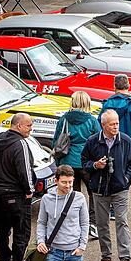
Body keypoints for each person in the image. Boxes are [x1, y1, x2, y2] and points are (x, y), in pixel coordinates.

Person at [81, 110, 131, 261]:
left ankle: (125, 258)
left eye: (117, 123)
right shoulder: (92, 141)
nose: (116, 126)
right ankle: (106, 256)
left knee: (122, 221)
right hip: (99, 190)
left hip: (120, 189)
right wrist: (95, 165)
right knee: (102, 224)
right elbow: (84, 162)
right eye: (112, 124)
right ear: (103, 125)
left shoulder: (125, 140)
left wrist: (126, 178)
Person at [0, 113, 36, 261]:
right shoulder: (20, 144)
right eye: (28, 125)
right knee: (22, 231)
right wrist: (29, 191)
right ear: (19, 126)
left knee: (1, 229)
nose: (31, 128)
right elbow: (25, 170)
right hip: (15, 195)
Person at [53, 91, 102, 241]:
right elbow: (99, 140)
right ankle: (92, 224)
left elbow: (56, 140)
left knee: (72, 194)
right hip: (87, 162)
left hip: (68, 161)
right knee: (92, 192)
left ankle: (73, 223)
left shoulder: (64, 119)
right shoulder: (91, 120)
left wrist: (58, 163)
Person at [36, 165, 89, 261]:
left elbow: (84, 223)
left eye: (70, 182)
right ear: (56, 181)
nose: (68, 185)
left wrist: (82, 246)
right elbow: (41, 222)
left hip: (74, 252)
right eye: (64, 182)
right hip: (53, 252)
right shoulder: (46, 199)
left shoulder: (79, 198)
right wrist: (40, 241)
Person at [99, 74, 131, 199]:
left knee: (114, 175)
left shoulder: (107, 104)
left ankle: (113, 209)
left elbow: (101, 123)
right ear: (128, 85)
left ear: (114, 86)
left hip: (113, 147)